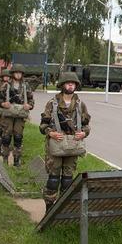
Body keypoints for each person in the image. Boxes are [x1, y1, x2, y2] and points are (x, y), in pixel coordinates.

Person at [40, 72, 91, 212]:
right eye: (68, 83)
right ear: (62, 85)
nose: (71, 85)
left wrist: (84, 133)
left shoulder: (80, 105)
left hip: (73, 145)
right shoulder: (52, 103)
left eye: (73, 83)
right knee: (53, 179)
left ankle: (63, 210)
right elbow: (43, 125)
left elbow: (87, 125)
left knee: (68, 180)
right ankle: (49, 210)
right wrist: (51, 133)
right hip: (56, 145)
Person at [0, 64, 34, 167]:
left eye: (20, 73)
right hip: (8, 114)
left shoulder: (26, 86)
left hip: (20, 115)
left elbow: (31, 100)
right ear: (12, 74)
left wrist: (29, 106)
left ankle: (17, 159)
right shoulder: (6, 85)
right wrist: (3, 104)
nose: (18, 75)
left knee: (18, 137)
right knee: (6, 137)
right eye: (16, 72)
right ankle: (5, 158)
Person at [0, 69, 11, 155]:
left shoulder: (11, 85)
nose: (6, 77)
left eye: (8, 76)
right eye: (5, 76)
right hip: (0, 110)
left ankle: (5, 148)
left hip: (8, 111)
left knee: (6, 131)